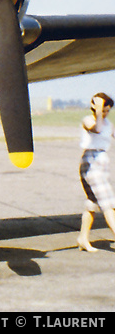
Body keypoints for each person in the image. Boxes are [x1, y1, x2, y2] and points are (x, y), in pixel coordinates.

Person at [77, 92, 115, 251]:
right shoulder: (88, 120)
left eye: (107, 110)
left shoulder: (109, 124)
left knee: (92, 204)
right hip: (90, 163)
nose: (105, 113)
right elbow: (96, 129)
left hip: (102, 162)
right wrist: (98, 111)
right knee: (108, 204)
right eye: (103, 110)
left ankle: (83, 239)